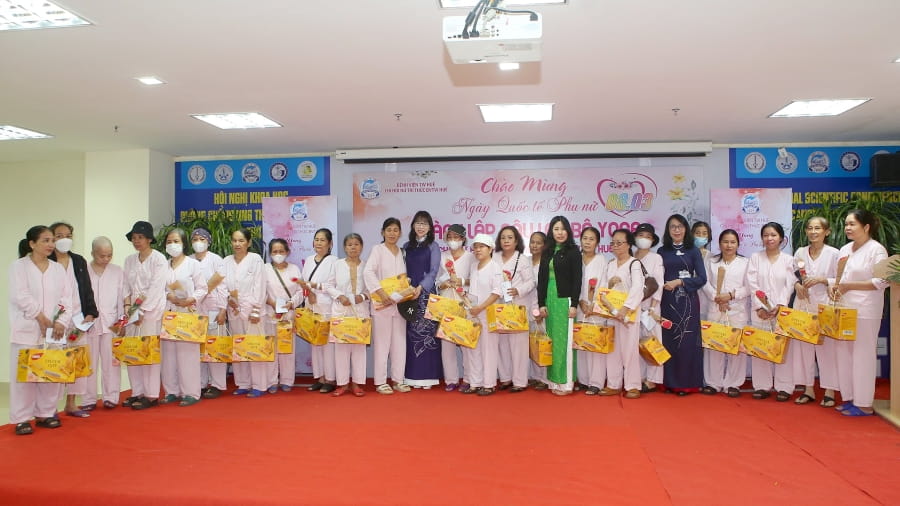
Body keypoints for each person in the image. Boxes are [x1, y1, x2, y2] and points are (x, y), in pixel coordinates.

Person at [9, 225, 73, 435]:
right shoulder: (19, 267)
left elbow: (66, 299)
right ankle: (22, 418)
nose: (51, 244)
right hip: (27, 327)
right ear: (32, 244)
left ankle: (45, 413)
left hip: (54, 330)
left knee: (50, 370)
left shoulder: (57, 269)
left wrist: (61, 322)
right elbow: (20, 296)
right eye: (45, 240)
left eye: (52, 240)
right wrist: (41, 317)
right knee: (24, 376)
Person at [830, 209, 889, 417]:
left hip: (865, 310)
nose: (847, 228)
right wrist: (834, 286)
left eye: (852, 224)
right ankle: (850, 397)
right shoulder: (845, 249)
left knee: (863, 355)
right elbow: (838, 277)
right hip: (844, 309)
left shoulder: (877, 250)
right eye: (846, 224)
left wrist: (849, 286)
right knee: (844, 354)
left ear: (866, 227)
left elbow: (882, 281)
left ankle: (864, 403)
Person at [49, 222, 98, 417]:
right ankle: (50, 407)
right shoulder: (48, 261)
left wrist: (90, 312)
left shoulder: (78, 260)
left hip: (78, 318)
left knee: (77, 361)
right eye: (59, 236)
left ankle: (71, 403)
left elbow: (86, 288)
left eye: (68, 235)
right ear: (52, 238)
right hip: (56, 320)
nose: (64, 239)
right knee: (55, 361)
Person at [745, 222, 795, 401]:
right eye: (766, 235)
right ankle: (762, 386)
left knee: (783, 348)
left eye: (773, 235)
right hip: (760, 311)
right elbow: (752, 284)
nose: (769, 238)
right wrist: (760, 307)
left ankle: (784, 386)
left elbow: (790, 284)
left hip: (781, 311)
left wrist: (780, 305)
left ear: (781, 238)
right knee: (761, 345)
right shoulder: (755, 258)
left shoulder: (788, 260)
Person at [792, 217, 839, 406]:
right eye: (810, 228)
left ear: (827, 232)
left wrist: (823, 280)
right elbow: (792, 275)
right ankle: (808, 389)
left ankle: (829, 391)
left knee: (827, 349)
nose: (813, 232)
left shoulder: (834, 253)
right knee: (804, 349)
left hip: (824, 305)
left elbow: (840, 278)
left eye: (817, 228)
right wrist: (797, 285)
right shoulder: (800, 252)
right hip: (803, 304)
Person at [659, 214, 707, 396]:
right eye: (673, 227)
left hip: (687, 302)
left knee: (686, 343)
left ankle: (686, 384)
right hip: (667, 302)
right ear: (668, 230)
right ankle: (670, 383)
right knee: (669, 341)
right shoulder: (662, 251)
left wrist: (680, 282)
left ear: (686, 229)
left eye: (680, 226)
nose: (677, 230)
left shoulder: (693, 251)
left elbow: (702, 278)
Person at [123, 220, 167, 410]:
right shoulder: (129, 260)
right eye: (134, 238)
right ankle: (137, 392)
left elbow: (156, 288)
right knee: (133, 350)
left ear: (149, 239)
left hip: (150, 313)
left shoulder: (159, 259)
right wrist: (128, 306)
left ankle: (151, 394)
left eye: (140, 237)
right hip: (132, 312)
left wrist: (142, 310)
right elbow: (126, 285)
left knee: (149, 352)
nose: (137, 241)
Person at [363, 218, 411, 395]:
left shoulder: (402, 252)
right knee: (382, 345)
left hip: (399, 304)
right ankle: (381, 381)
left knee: (400, 344)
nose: (392, 233)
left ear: (400, 233)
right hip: (382, 304)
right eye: (389, 230)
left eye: (395, 230)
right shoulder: (378, 249)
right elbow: (368, 272)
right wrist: (381, 293)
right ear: (382, 232)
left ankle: (398, 379)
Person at [700, 229, 750, 397]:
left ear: (738, 244)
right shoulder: (711, 262)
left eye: (732, 242)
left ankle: (734, 383)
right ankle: (713, 383)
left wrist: (730, 296)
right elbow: (704, 282)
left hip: (736, 310)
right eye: (725, 242)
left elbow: (748, 286)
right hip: (715, 308)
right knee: (714, 346)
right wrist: (717, 297)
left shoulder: (745, 263)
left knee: (736, 348)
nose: (729, 245)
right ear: (719, 244)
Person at [537, 216, 583, 396]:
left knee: (564, 342)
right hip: (550, 300)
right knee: (552, 341)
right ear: (551, 231)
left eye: (563, 229)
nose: (560, 232)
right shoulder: (547, 251)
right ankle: (553, 380)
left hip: (565, 301)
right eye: (556, 229)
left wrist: (574, 304)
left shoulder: (573, 251)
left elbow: (577, 280)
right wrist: (541, 303)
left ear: (568, 231)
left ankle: (565, 382)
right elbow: (541, 279)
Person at [161, 228, 207, 406]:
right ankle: (171, 391)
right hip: (169, 313)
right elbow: (159, 288)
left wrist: (191, 299)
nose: (172, 245)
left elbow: (202, 288)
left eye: (176, 241)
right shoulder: (164, 265)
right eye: (169, 242)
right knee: (168, 355)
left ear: (184, 244)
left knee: (187, 354)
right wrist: (168, 295)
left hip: (187, 312)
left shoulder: (192, 264)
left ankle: (191, 392)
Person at [599, 229, 646, 399]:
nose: (615, 246)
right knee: (613, 349)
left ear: (629, 244)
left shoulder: (634, 264)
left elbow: (638, 288)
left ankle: (633, 385)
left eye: (619, 243)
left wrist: (625, 308)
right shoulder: (610, 264)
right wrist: (610, 286)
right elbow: (603, 289)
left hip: (628, 314)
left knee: (630, 349)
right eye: (613, 243)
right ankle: (613, 384)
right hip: (612, 312)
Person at [224, 228, 268, 398]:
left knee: (254, 346)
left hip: (252, 311)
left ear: (248, 243)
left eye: (241, 240)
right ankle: (243, 383)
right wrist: (228, 299)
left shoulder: (255, 259)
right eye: (234, 240)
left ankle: (259, 384)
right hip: (234, 310)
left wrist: (256, 309)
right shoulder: (226, 261)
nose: (237, 244)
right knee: (239, 346)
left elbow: (260, 285)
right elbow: (222, 285)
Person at [327, 233, 370, 397]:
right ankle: (342, 383)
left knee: (359, 349)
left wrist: (363, 297)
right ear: (345, 247)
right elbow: (329, 286)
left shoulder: (367, 266)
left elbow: (372, 289)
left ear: (362, 246)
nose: (353, 247)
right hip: (341, 309)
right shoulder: (337, 265)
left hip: (360, 310)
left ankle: (357, 383)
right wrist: (340, 296)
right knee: (341, 350)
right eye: (350, 244)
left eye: (356, 244)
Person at [494, 226, 536, 393]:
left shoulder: (522, 259)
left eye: (510, 237)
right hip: (499, 306)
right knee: (501, 344)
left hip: (517, 306)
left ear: (516, 241)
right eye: (503, 237)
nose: (506, 241)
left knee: (519, 346)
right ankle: (505, 378)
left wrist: (518, 290)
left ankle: (519, 381)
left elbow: (531, 282)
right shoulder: (494, 257)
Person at [403, 211, 442, 389]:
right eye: (418, 223)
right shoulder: (406, 246)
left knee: (427, 335)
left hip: (427, 295)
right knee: (411, 334)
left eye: (424, 223)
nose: (421, 226)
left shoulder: (433, 246)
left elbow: (434, 271)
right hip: (409, 295)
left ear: (430, 227)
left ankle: (429, 377)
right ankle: (412, 377)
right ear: (413, 225)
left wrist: (421, 287)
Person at [84, 236, 124, 409]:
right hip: (89, 323)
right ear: (93, 253)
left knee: (111, 362)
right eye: (102, 256)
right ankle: (88, 399)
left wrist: (121, 322)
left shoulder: (117, 271)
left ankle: (111, 397)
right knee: (89, 362)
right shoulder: (84, 270)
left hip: (111, 322)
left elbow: (122, 297)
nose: (106, 259)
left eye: (109, 255)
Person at [190, 228, 228, 399]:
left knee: (214, 346)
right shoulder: (188, 261)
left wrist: (222, 309)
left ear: (208, 241)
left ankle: (217, 384)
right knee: (198, 348)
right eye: (195, 239)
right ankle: (201, 383)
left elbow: (223, 287)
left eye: (202, 239)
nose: (198, 242)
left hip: (214, 308)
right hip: (195, 310)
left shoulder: (216, 260)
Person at [437, 224, 475, 392]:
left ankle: (468, 378)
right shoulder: (442, 256)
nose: (453, 240)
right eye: (450, 237)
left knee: (465, 342)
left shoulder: (471, 257)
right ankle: (451, 379)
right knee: (447, 343)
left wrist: (463, 281)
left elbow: (477, 279)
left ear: (463, 239)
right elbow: (436, 280)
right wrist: (442, 284)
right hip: (447, 302)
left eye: (456, 237)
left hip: (465, 302)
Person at [300, 228, 338, 394]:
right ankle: (320, 377)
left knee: (327, 345)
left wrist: (316, 290)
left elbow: (333, 285)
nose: (319, 243)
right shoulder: (309, 260)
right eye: (316, 239)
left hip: (326, 306)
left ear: (330, 243)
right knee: (315, 343)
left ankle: (330, 379)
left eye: (323, 240)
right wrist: (308, 293)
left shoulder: (334, 261)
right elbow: (304, 282)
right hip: (311, 305)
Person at [264, 238, 302, 393]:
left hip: (288, 315)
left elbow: (301, 291)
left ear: (287, 252)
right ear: (270, 253)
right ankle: (271, 381)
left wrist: (291, 303)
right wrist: (272, 303)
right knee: (271, 348)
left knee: (287, 348)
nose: (278, 254)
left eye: (281, 251)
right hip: (270, 314)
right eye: (275, 251)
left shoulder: (294, 269)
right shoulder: (265, 269)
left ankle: (287, 380)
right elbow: (260, 291)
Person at [466, 233, 502, 395]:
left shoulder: (495, 267)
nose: (478, 250)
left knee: (489, 350)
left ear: (490, 249)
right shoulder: (474, 266)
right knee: (473, 349)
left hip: (488, 313)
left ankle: (489, 384)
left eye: (482, 247)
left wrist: (480, 307)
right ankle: (475, 382)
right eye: (476, 247)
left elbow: (496, 292)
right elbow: (472, 290)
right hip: (473, 313)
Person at [576, 227, 607, 396]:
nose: (587, 242)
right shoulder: (576, 259)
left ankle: (596, 382)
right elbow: (573, 283)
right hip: (579, 307)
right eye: (585, 238)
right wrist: (581, 301)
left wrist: (594, 305)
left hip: (596, 309)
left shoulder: (601, 260)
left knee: (596, 344)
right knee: (581, 342)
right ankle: (583, 379)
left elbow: (603, 285)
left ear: (597, 243)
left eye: (591, 239)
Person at [634, 223, 664, 393]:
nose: (644, 239)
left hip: (650, 307)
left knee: (652, 342)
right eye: (641, 235)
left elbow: (659, 283)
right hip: (634, 307)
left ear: (653, 240)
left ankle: (653, 379)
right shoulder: (631, 256)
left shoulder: (656, 258)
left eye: (648, 236)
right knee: (637, 343)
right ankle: (639, 377)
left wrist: (653, 307)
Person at [528, 231, 549, 390]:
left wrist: (542, 307)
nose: (534, 245)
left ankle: (544, 378)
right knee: (532, 342)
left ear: (544, 245)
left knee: (543, 342)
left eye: (538, 243)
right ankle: (535, 376)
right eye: (532, 242)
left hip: (541, 307)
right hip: (526, 307)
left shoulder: (547, 263)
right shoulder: (525, 261)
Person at [691, 221, 713, 321]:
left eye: (704, 233)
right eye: (697, 233)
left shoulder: (712, 257)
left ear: (708, 236)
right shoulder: (686, 254)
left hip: (705, 301)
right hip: (688, 297)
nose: (701, 236)